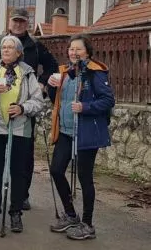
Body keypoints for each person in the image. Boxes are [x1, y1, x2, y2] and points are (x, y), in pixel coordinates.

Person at [0, 8, 57, 210]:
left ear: (27, 23)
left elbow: (52, 66)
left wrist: (41, 83)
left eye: (22, 21)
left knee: (23, 159)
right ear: (9, 22)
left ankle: (21, 196)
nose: (18, 24)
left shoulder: (35, 45)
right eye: (15, 21)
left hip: (25, 109)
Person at [0, 35, 45, 234]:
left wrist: (22, 108)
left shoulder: (27, 72)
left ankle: (15, 212)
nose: (6, 50)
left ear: (19, 52)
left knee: (18, 171)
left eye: (10, 47)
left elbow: (38, 102)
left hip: (20, 127)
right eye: (4, 47)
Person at [47, 35, 115, 240]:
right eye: (71, 49)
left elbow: (108, 100)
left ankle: (87, 224)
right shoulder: (65, 73)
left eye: (78, 49)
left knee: (85, 178)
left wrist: (85, 107)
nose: (74, 53)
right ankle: (70, 215)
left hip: (85, 133)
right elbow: (56, 101)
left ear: (88, 52)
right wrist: (51, 87)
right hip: (65, 131)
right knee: (56, 170)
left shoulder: (95, 72)